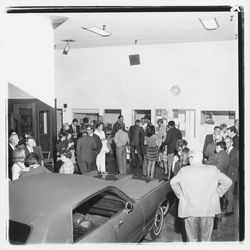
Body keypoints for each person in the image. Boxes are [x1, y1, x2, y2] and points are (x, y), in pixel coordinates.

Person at [170, 150, 232, 242]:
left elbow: (172, 182)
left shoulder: (184, 171)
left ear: (191, 159)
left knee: (191, 240)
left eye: (189, 158)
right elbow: (228, 181)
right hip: (208, 210)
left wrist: (181, 195)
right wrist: (217, 193)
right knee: (206, 240)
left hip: (189, 210)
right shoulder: (213, 169)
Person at [224, 136, 239, 216]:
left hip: (232, 174)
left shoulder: (235, 151)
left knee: (229, 193)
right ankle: (230, 207)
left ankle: (229, 210)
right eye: (225, 142)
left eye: (228, 142)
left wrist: (228, 162)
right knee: (226, 193)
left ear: (232, 142)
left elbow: (239, 163)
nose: (226, 144)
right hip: (226, 174)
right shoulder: (226, 150)